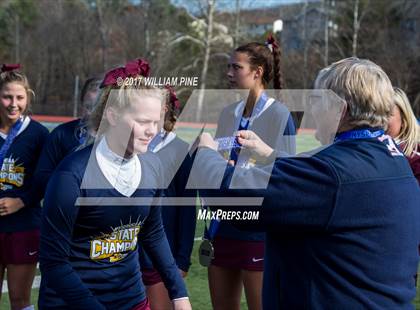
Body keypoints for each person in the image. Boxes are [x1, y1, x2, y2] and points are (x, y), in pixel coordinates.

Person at [197, 57, 420, 309]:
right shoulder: (392, 159)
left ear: (340, 109)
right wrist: (270, 153)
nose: (312, 110)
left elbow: (233, 197)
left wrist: (206, 153)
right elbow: (325, 187)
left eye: (317, 101)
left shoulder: (333, 174)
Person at [38, 60, 191, 310]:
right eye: (142, 121)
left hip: (131, 300)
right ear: (112, 115)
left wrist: (179, 294)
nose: (151, 131)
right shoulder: (70, 177)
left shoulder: (152, 167)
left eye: (156, 122)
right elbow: (53, 263)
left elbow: (152, 232)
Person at [202, 34, 295, 310]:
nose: (229, 73)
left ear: (257, 72)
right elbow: (217, 160)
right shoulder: (228, 113)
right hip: (222, 227)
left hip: (258, 231)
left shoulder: (280, 114)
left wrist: (254, 162)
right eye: (228, 67)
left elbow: (288, 173)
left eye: (236, 67)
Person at [139, 86, 196, 310]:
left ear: (162, 109)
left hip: (163, 252)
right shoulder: (132, 144)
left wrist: (182, 258)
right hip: (130, 250)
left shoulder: (180, 149)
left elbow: (188, 207)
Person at [0, 64, 49, 310]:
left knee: (19, 299)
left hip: (24, 226)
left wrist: (21, 201)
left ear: (28, 97)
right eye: (7, 96)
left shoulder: (39, 134)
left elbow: (45, 180)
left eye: (19, 97)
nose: (13, 103)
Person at [27, 75, 102, 206]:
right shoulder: (61, 134)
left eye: (97, 108)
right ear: (81, 105)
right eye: (88, 107)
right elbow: (42, 176)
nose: (91, 114)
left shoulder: (119, 139)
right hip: (66, 209)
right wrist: (68, 186)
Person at [388, 88, 420, 183]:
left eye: (388, 114)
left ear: (404, 120)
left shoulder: (415, 159)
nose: (380, 119)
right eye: (377, 113)